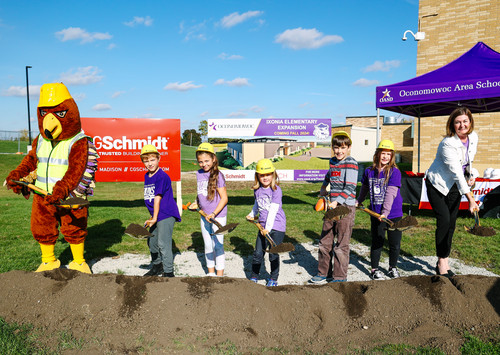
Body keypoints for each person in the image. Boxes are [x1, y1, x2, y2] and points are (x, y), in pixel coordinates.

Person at [425, 107, 478, 277]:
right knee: (444, 220)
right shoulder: (448, 143)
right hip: (437, 185)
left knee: (452, 223)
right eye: (457, 122)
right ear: (452, 125)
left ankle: (445, 260)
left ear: (470, 122)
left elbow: (467, 161)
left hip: (455, 186)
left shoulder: (473, 138)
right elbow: (455, 170)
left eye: (465, 121)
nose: (462, 125)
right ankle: (441, 263)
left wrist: (471, 175)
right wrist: (471, 199)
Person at [309, 131, 358, 284]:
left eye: (343, 148)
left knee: (341, 245)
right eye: (336, 147)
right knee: (325, 241)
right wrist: (324, 186)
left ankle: (339, 277)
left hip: (345, 207)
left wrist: (337, 202)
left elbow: (350, 187)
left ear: (348, 147)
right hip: (332, 207)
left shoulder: (351, 163)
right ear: (332, 148)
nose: (339, 151)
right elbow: (329, 175)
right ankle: (323, 273)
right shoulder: (332, 161)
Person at [356, 140, 403, 280]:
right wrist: (359, 200)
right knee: (377, 241)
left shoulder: (395, 172)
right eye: (383, 153)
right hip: (376, 213)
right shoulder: (369, 171)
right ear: (377, 154)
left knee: (394, 243)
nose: (385, 157)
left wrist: (385, 213)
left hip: (392, 214)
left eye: (389, 154)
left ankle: (392, 267)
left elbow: (391, 193)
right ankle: (374, 269)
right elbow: (364, 187)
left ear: (392, 156)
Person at [141, 144, 181, 277]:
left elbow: (157, 198)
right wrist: (152, 216)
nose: (149, 163)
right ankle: (157, 266)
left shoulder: (162, 176)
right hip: (156, 214)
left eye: (152, 160)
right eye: (146, 161)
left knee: (163, 243)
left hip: (166, 213)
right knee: (151, 242)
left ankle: (169, 273)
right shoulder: (148, 176)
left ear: (159, 159)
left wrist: (154, 218)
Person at [246, 159, 287, 287]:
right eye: (262, 175)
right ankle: (254, 276)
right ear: (257, 176)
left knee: (273, 254)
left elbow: (273, 210)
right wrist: (252, 214)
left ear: (273, 174)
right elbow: (257, 204)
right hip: (263, 226)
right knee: (258, 253)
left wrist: (268, 228)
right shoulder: (257, 190)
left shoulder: (276, 190)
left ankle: (273, 278)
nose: (265, 177)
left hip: (276, 226)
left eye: (268, 174)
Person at [196, 142, 228, 276]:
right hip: (205, 216)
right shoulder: (199, 173)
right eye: (200, 161)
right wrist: (196, 203)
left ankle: (219, 275)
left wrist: (214, 214)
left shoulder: (218, 175)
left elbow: (224, 198)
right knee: (208, 245)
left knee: (218, 245)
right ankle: (211, 273)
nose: (204, 164)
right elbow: (201, 193)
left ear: (213, 159)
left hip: (218, 216)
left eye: (207, 161)